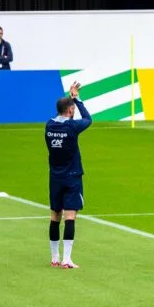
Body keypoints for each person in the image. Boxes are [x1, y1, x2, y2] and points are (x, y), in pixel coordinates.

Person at [44, 82, 90, 269]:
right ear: (71, 110)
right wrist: (77, 99)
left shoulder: (48, 126)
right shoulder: (72, 127)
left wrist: (70, 102)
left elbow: (61, 120)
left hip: (55, 177)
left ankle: (54, 257)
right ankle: (67, 259)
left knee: (55, 216)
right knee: (70, 216)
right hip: (72, 177)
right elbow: (88, 119)